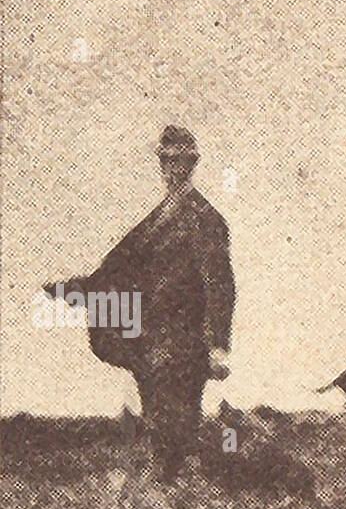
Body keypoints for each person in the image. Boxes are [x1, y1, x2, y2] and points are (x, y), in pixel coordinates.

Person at [47, 126, 235, 480]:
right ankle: (176, 486)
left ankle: (183, 487)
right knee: (159, 417)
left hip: (185, 340)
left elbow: (220, 285)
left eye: (180, 161)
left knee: (175, 420)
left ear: (192, 165)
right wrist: (80, 288)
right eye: (166, 161)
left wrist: (217, 345)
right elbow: (119, 266)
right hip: (149, 338)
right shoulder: (157, 218)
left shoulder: (206, 220)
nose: (172, 169)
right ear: (161, 164)